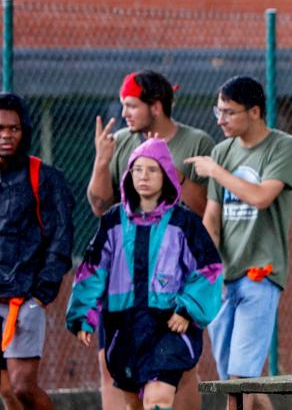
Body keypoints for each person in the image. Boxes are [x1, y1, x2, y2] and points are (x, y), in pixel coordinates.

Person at [86, 70, 215, 409]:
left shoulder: (195, 142)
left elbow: (201, 211)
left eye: (131, 105)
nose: (124, 113)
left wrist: (172, 178)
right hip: (127, 279)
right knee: (111, 362)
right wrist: (102, 160)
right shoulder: (124, 142)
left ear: (155, 106)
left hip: (172, 279)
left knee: (178, 369)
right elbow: (101, 206)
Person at [67, 138, 222, 410]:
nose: (144, 176)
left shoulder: (184, 223)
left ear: (166, 175)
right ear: (129, 175)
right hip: (124, 326)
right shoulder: (113, 221)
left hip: (169, 325)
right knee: (134, 404)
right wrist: (83, 314)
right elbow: (93, 268)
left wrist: (187, 309)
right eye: (137, 169)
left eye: (152, 169)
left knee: (157, 400)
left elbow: (209, 269)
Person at [186, 75, 292, 410]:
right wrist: (209, 271)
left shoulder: (283, 146)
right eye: (217, 111)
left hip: (260, 274)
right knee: (242, 387)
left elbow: (262, 196)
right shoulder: (221, 151)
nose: (220, 120)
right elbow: (212, 218)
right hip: (224, 278)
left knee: (240, 382)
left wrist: (216, 171)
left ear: (254, 112)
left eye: (229, 113)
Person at [0, 92, 75, 409]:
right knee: (5, 391)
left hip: (24, 298)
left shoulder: (44, 177)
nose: (6, 135)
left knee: (22, 388)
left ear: (24, 130)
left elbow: (61, 237)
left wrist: (41, 292)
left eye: (13, 128)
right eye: (0, 128)